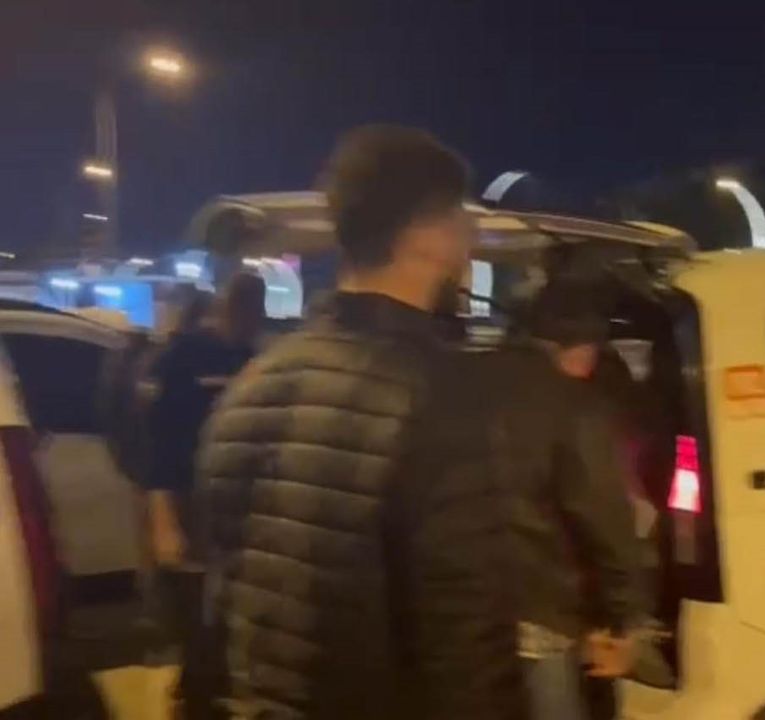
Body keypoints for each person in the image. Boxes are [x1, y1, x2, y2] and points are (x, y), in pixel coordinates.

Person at [197, 125, 524, 720]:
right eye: (460, 215)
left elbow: (225, 601)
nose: (471, 234)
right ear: (425, 236)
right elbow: (466, 637)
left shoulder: (252, 385)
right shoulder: (441, 395)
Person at [490, 282, 645, 720]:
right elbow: (604, 516)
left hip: (463, 610)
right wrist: (624, 618)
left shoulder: (464, 388)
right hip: (540, 612)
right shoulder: (575, 406)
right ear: (583, 349)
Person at [144, 276, 264, 719]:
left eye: (257, 307)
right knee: (196, 618)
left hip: (238, 510)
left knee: (231, 621)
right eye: (246, 305)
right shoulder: (182, 358)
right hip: (190, 505)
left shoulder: (250, 359)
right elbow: (160, 446)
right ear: (225, 305)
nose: (252, 317)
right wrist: (163, 520)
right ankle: (194, 701)